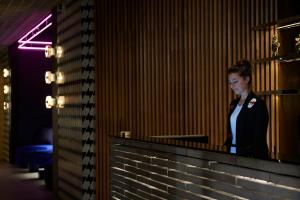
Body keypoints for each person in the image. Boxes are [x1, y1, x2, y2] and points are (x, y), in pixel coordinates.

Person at [225, 60, 269, 159]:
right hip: (232, 156)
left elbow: (258, 139)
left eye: (235, 81)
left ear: (247, 79)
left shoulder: (258, 104)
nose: (232, 86)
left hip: (250, 159)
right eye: (230, 83)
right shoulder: (233, 104)